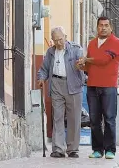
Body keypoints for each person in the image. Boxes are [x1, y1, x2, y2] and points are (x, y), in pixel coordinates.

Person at [76, 16, 119, 160]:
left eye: (106, 25)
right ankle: (97, 149)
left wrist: (86, 59)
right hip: (92, 86)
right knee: (95, 120)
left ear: (111, 28)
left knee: (109, 119)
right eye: (100, 25)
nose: (103, 27)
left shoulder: (116, 43)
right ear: (97, 27)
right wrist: (81, 65)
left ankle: (110, 150)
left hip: (109, 86)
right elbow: (89, 67)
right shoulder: (91, 44)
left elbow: (104, 60)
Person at [38, 26, 85, 158]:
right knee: (57, 117)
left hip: (73, 85)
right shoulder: (50, 52)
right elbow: (44, 69)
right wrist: (41, 78)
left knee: (74, 118)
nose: (58, 42)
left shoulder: (76, 49)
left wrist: (81, 65)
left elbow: (83, 64)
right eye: (55, 40)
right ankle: (58, 149)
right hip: (56, 85)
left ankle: (72, 149)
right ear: (52, 40)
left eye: (60, 39)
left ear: (65, 37)